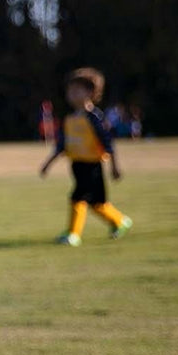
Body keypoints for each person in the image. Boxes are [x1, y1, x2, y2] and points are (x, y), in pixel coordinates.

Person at [39, 67, 132, 246]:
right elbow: (61, 145)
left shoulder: (94, 118)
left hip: (93, 166)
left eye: (76, 90)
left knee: (78, 197)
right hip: (77, 166)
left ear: (90, 92)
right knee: (97, 203)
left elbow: (108, 143)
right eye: (70, 91)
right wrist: (47, 164)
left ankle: (73, 234)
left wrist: (114, 166)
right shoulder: (70, 119)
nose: (71, 94)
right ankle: (119, 221)